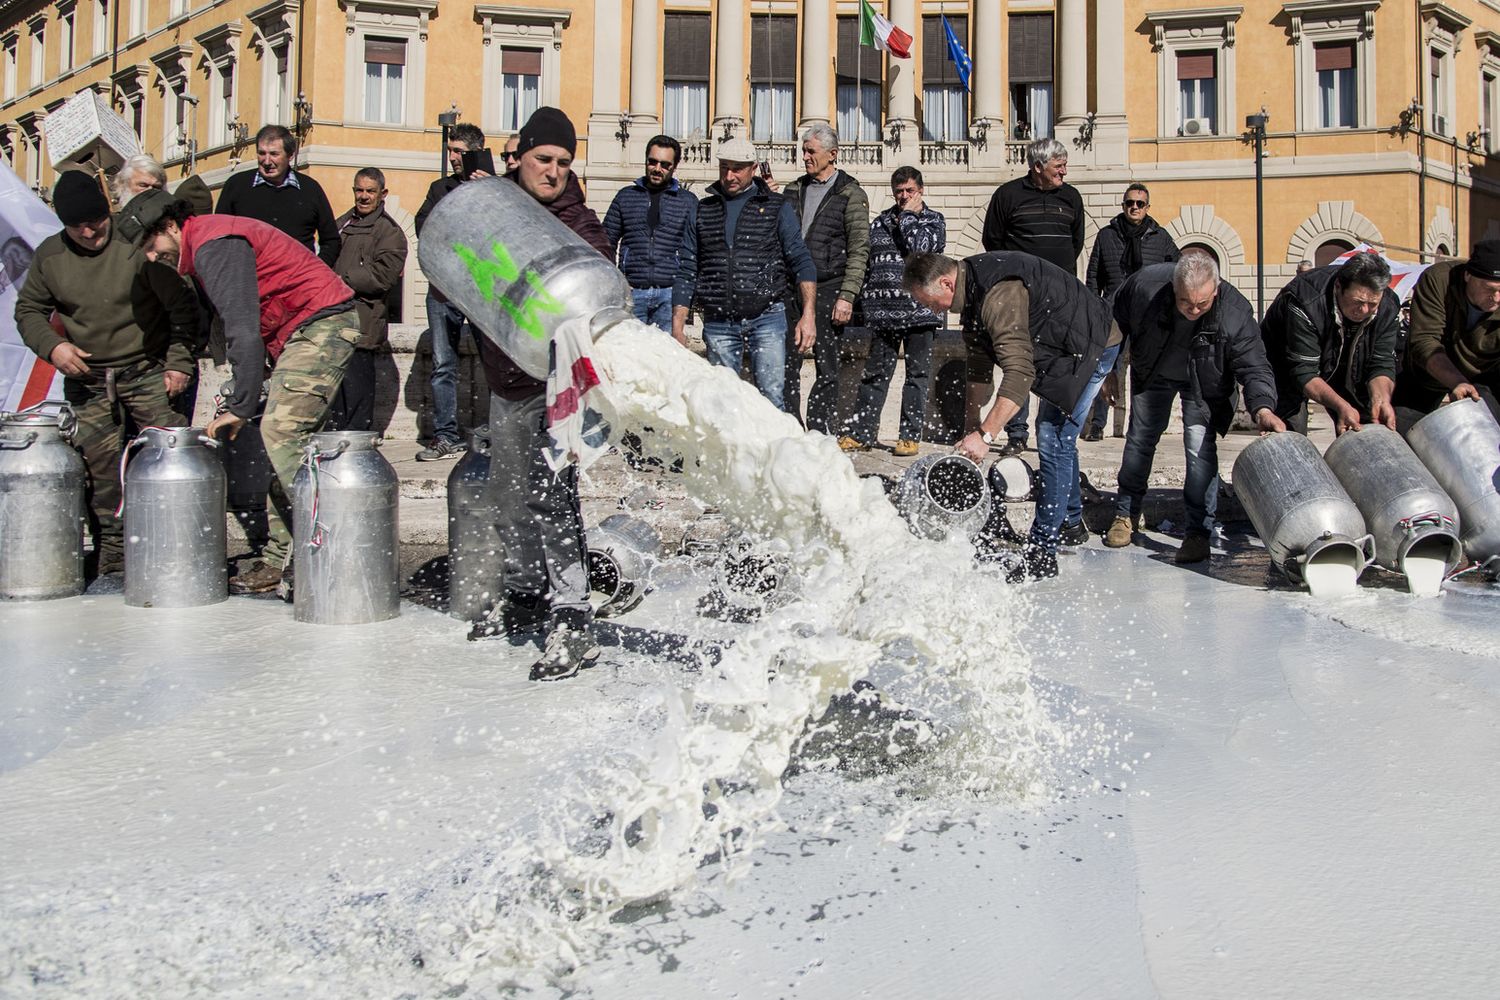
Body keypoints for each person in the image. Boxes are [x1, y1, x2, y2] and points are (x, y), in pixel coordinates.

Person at [120, 187, 362, 595]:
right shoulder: (207, 241)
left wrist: (241, 406)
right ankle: (277, 558)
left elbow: (243, 328)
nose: (150, 255)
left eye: (151, 243)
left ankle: (334, 547)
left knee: (281, 434)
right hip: (303, 329)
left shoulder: (214, 245)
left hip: (322, 324)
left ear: (170, 226)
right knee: (288, 446)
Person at [468, 106, 607, 681]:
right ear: (517, 155)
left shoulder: (579, 219)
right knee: (506, 496)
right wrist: (473, 197)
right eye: (542, 159)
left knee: (552, 497)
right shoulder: (490, 203)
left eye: (562, 162)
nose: (552, 171)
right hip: (505, 379)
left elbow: (597, 276)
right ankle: (525, 594)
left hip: (555, 387)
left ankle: (574, 618)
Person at [14, 172, 198, 578]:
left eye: (96, 219)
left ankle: (177, 539)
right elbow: (27, 312)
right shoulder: (50, 256)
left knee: (170, 455)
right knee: (99, 471)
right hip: (89, 380)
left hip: (147, 370)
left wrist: (178, 362)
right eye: (77, 225)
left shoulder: (135, 247)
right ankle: (113, 553)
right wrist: (54, 346)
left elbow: (181, 308)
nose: (89, 230)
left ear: (106, 211)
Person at [904, 249, 1118, 579]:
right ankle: (1072, 522)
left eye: (931, 302)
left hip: (1093, 343)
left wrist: (987, 435)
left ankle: (1043, 550)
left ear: (946, 283)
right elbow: (977, 368)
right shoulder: (972, 293)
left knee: (1052, 436)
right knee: (1057, 435)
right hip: (1062, 347)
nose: (931, 311)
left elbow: (1019, 374)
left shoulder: (997, 294)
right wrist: (971, 426)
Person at [1104, 253, 1285, 564]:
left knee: (1199, 450)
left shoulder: (1235, 312)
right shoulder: (1145, 288)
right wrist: (1110, 370)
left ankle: (1198, 532)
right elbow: (1113, 325)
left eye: (1202, 304)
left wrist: (1263, 409)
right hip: (1154, 371)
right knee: (1140, 441)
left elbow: (1254, 367)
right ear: (1175, 289)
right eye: (1186, 303)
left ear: (1215, 290)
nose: (1194, 310)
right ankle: (1125, 514)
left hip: (1204, 383)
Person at [671, 137, 817, 409]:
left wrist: (808, 315)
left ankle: (772, 451)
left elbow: (800, 259)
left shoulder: (776, 207)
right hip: (718, 319)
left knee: (772, 397)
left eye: (737, 168)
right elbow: (688, 267)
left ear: (753, 169)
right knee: (723, 401)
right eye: (724, 167)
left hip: (768, 316)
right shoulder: (703, 209)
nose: (729, 175)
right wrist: (678, 324)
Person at [980, 137, 1086, 457]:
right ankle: (1016, 432)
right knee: (1019, 361)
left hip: (1061, 297)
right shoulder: (1007, 195)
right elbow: (992, 242)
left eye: (1065, 164)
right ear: (1037, 167)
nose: (1064, 171)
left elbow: (1076, 242)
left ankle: (1049, 428)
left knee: (1056, 363)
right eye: (1059, 166)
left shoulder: (1071, 197)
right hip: (1021, 296)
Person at [842, 166, 945, 457]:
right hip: (884, 312)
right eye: (899, 191)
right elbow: (866, 261)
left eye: (909, 191)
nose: (903, 196)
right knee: (874, 376)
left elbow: (920, 249)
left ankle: (909, 436)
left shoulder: (934, 221)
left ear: (920, 190)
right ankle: (862, 433)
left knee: (917, 376)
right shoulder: (880, 222)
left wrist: (910, 217)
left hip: (920, 313)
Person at [780, 124, 870, 434]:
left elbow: (860, 249)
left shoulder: (851, 193)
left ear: (832, 155)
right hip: (792, 286)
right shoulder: (792, 190)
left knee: (827, 366)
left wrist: (848, 296)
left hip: (831, 287)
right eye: (803, 151)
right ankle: (791, 425)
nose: (804, 156)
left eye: (810, 151)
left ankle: (818, 429)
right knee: (788, 362)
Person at [413, 122, 489, 461]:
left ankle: (493, 432)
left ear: (474, 152)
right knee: (444, 364)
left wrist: (486, 191)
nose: (452, 157)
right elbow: (424, 226)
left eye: (458, 151)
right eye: (450, 150)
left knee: (494, 364)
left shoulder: (494, 187)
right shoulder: (438, 188)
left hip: (480, 290)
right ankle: (446, 435)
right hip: (443, 289)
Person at [1261, 252, 1400, 434]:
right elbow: (1303, 371)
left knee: (1367, 422)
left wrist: (1381, 400)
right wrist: (1340, 405)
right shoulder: (1303, 300)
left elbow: (1381, 361)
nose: (1364, 310)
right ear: (1338, 286)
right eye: (1358, 302)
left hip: (1345, 362)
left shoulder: (1388, 305)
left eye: (1372, 304)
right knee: (1290, 432)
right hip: (1286, 365)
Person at [1082, 182, 1180, 440]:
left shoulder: (1161, 238)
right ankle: (1097, 425)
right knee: (1105, 367)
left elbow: (1177, 271)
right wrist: (1095, 307)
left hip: (1149, 313)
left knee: (1144, 369)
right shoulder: (1106, 235)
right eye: (1129, 203)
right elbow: (1093, 276)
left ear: (1147, 207)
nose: (1134, 207)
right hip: (1113, 312)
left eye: (1139, 203)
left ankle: (1139, 425)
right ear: (1123, 205)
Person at [326, 167, 408, 432]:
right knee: (335, 399)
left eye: (370, 191)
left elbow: (383, 276)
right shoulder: (342, 224)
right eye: (359, 190)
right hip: (334, 323)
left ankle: (357, 450)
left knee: (358, 397)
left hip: (363, 326)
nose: (363, 196)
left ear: (382, 194)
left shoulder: (389, 232)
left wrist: (342, 279)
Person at [1392, 239, 1500, 417]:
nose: (1496, 298)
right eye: (1489, 289)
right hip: (1427, 372)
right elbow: (1424, 341)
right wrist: (1456, 381)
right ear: (1467, 275)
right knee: (1403, 427)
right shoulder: (1439, 279)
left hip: (1485, 376)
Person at [602, 135, 698, 334]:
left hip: (670, 295)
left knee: (664, 361)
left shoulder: (688, 202)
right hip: (632, 292)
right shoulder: (626, 196)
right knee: (630, 357)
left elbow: (696, 251)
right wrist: (613, 285)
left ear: (674, 166)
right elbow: (605, 243)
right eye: (652, 162)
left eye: (665, 164)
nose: (657, 168)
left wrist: (687, 296)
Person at [216, 125, 340, 267]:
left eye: (274, 154)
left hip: (296, 282)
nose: (267, 161)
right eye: (262, 153)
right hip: (249, 281)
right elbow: (218, 235)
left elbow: (331, 240)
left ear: (290, 155)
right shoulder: (237, 186)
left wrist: (316, 271)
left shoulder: (310, 189)